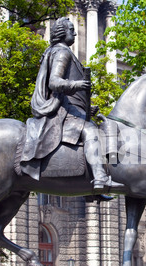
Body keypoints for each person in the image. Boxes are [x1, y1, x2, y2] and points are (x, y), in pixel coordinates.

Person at [20, 17, 123, 190]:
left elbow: (69, 97)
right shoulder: (62, 52)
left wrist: (86, 110)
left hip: (67, 110)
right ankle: (100, 177)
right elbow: (54, 82)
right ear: (61, 33)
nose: (74, 32)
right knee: (91, 132)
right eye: (70, 29)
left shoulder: (60, 52)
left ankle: (90, 187)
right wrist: (77, 85)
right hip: (61, 113)